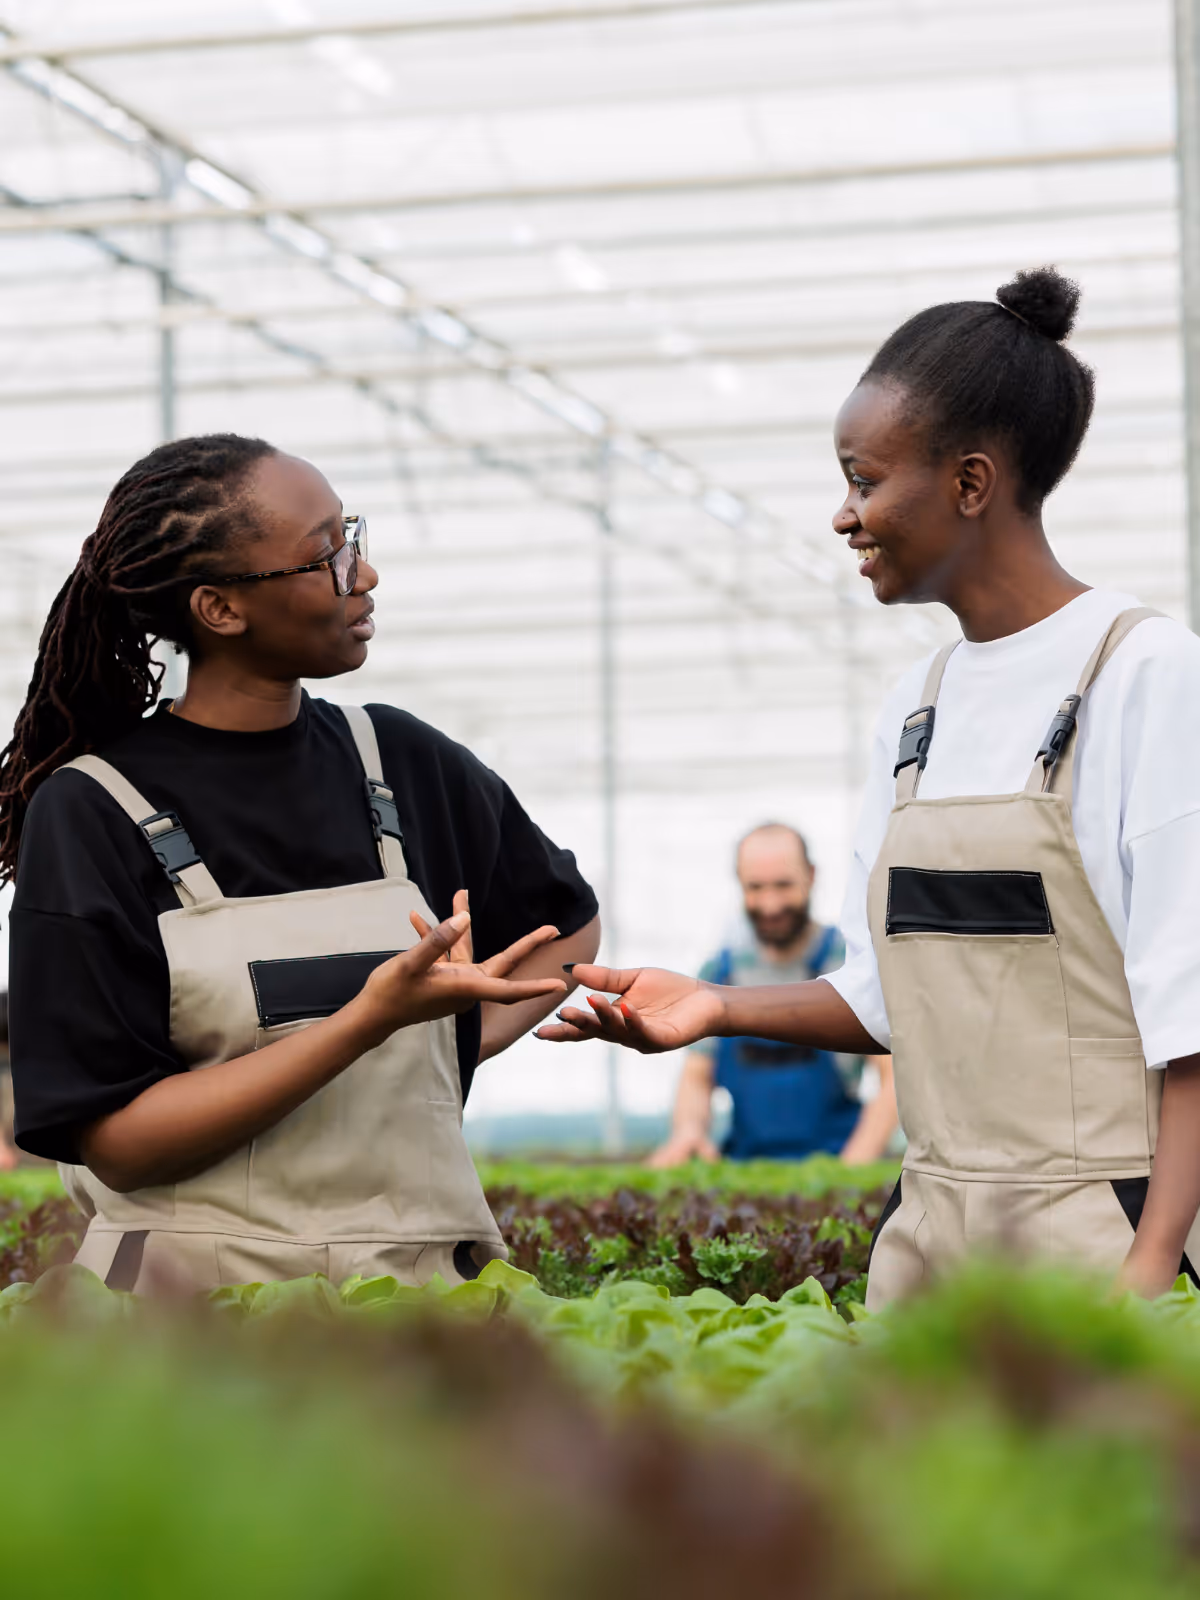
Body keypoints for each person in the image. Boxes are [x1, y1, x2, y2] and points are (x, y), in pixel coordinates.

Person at [539, 266, 1200, 1307]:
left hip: (1102, 1231)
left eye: (863, 479)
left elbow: (1190, 1014)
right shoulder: (914, 708)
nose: (845, 516)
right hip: (930, 1238)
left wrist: (1152, 1266)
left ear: (970, 483)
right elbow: (885, 997)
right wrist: (712, 1005)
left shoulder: (1145, 673)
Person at [3, 434, 600, 1293]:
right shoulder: (94, 807)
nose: (364, 576)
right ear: (219, 609)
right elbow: (120, 1143)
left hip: (425, 1298)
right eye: (326, 556)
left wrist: (445, 1038)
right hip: (199, 1320)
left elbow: (563, 925)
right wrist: (369, 1022)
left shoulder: (398, 757)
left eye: (351, 536)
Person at [648, 822, 896, 1166]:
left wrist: (852, 1169)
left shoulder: (850, 964)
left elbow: (893, 1078)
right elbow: (697, 1076)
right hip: (742, 1169)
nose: (771, 904)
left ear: (811, 876)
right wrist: (689, 1130)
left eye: (783, 885)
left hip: (837, 1159)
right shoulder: (720, 974)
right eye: (756, 887)